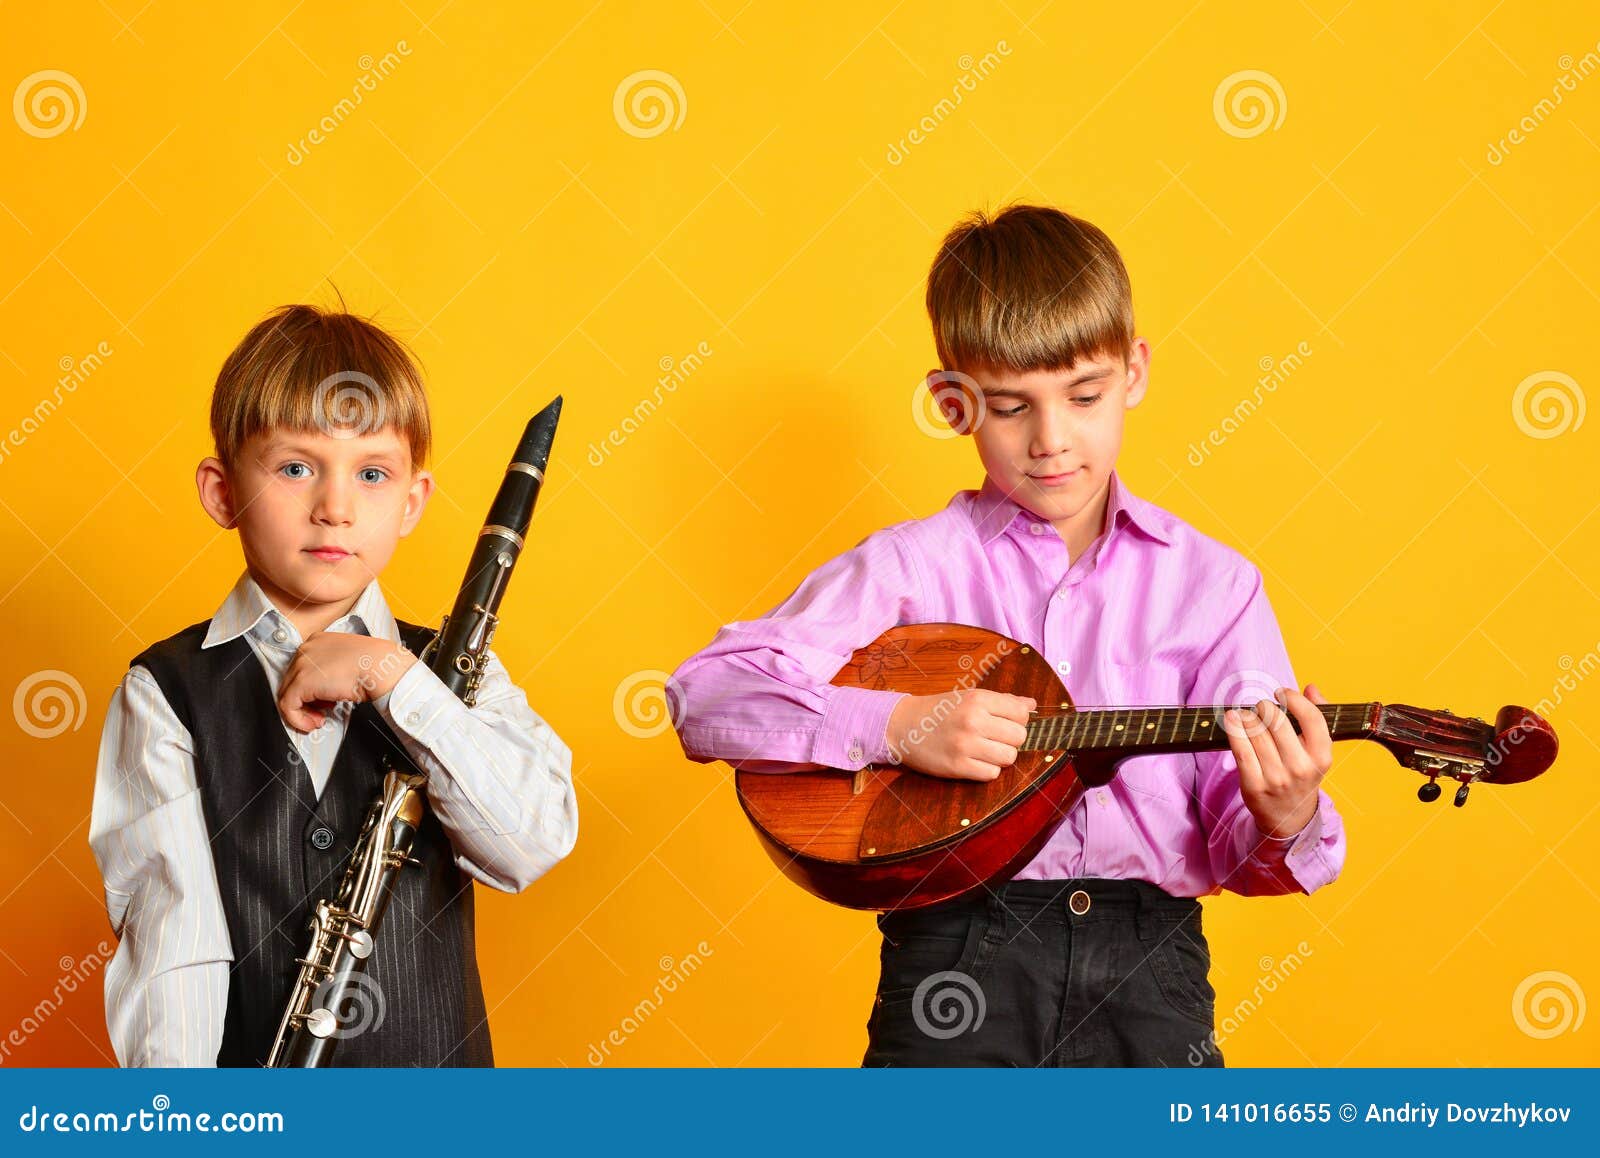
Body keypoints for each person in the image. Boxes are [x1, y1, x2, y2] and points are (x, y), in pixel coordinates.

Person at [668, 204, 1346, 1067]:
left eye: (1086, 396)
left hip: (1152, 976)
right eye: (1011, 407)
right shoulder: (910, 569)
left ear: (1134, 373)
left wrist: (1286, 814)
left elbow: (1236, 849)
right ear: (952, 404)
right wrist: (896, 725)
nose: (1052, 440)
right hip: (954, 959)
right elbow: (705, 695)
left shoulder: (1213, 586)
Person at [88, 303, 578, 1066]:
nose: (336, 508)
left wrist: (393, 678)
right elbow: (173, 954)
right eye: (294, 467)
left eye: (373, 473)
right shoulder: (168, 692)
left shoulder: (448, 671)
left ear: (411, 502)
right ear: (222, 492)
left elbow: (528, 846)